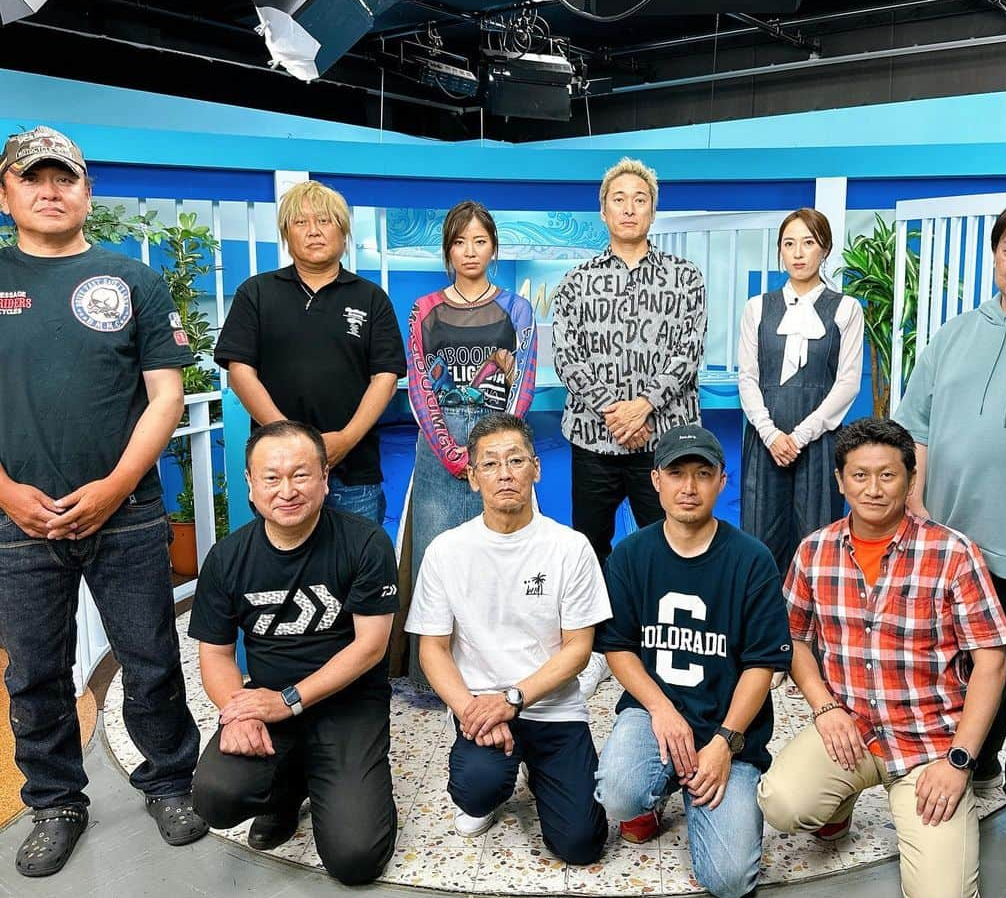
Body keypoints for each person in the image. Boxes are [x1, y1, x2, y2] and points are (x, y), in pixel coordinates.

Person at [0, 125, 205, 876]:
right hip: (15, 521)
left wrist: (117, 485)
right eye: (33, 178)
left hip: (129, 515)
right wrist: (8, 493)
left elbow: (165, 395)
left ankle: (171, 780)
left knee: (150, 658)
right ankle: (55, 800)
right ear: (6, 194)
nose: (50, 190)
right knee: (34, 671)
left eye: (64, 178)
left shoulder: (135, 282)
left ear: (86, 191)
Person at [757, 418, 1006, 898]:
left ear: (910, 480)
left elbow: (992, 662)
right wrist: (825, 708)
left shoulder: (952, 553)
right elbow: (796, 640)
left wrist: (959, 761)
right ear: (840, 480)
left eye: (888, 476)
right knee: (781, 803)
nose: (873, 489)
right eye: (860, 476)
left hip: (930, 746)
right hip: (851, 730)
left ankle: (939, 815)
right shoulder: (814, 551)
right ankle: (842, 799)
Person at [895, 195, 1006, 854]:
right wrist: (915, 499)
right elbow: (915, 425)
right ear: (994, 253)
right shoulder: (955, 332)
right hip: (957, 547)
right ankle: (981, 757)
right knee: (967, 668)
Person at [190, 421, 400, 885]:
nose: (287, 489)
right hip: (268, 701)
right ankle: (286, 790)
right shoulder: (227, 558)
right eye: (271, 477)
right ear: (251, 483)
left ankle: (344, 782)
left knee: (355, 859)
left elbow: (370, 647)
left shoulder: (365, 543)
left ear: (325, 478)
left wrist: (290, 699)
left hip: (347, 704)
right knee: (215, 798)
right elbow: (217, 656)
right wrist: (237, 712)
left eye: (301, 475)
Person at [593, 425, 791, 898]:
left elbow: (761, 665)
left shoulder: (752, 559)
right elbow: (618, 647)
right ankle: (655, 791)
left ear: (722, 481)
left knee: (730, 883)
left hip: (728, 727)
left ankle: (698, 783)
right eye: (677, 473)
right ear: (656, 479)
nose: (689, 487)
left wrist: (723, 743)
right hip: (656, 713)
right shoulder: (630, 555)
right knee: (619, 792)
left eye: (703, 474)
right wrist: (661, 710)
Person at [405, 413, 609, 865]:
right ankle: (492, 774)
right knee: (475, 792)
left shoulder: (569, 547)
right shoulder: (447, 551)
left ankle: (541, 770)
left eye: (515, 460)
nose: (504, 474)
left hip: (553, 707)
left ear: (535, 468)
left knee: (580, 845)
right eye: (490, 464)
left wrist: (513, 699)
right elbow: (432, 649)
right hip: (478, 706)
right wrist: (471, 711)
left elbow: (578, 647)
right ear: (473, 478)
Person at [553, 158, 707, 695]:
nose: (629, 208)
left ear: (653, 208)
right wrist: (614, 412)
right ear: (603, 209)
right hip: (594, 439)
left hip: (662, 442)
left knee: (668, 542)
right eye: (618, 198)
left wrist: (643, 407)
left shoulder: (685, 278)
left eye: (639, 198)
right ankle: (594, 649)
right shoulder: (576, 281)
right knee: (590, 548)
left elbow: (688, 353)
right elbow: (567, 356)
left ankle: (661, 647)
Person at [215, 180, 405, 523]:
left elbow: (386, 378)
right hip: (278, 473)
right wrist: (292, 441)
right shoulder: (255, 293)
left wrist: (345, 439)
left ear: (343, 232)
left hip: (353, 472)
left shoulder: (371, 298)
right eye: (301, 223)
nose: (313, 231)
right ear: (287, 235)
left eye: (324, 221)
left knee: (357, 569)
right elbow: (240, 371)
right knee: (280, 571)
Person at [406, 201, 536, 684]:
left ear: (493, 247)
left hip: (500, 437)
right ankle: (432, 678)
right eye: (460, 242)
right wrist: (454, 454)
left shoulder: (516, 308)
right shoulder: (424, 309)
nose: (470, 251)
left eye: (480, 241)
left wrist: (489, 453)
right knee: (435, 558)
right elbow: (419, 386)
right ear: (447, 250)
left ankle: (498, 669)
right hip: (440, 444)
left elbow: (522, 382)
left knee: (501, 556)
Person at [738, 207, 864, 577]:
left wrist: (801, 435)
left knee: (818, 535)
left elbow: (848, 383)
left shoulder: (846, 308)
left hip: (820, 440)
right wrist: (771, 433)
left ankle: (813, 630)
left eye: (808, 243)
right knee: (760, 536)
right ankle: (761, 629)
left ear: (824, 249)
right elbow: (747, 378)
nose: (798, 253)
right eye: (789, 244)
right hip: (765, 440)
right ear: (779, 250)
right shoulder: (757, 307)